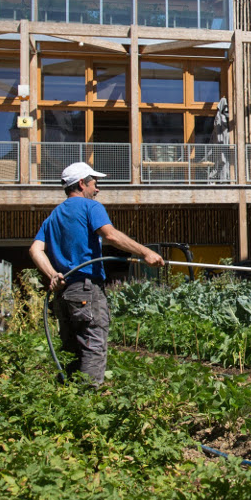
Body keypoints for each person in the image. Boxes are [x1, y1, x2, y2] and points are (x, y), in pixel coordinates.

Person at [30, 162, 164, 385]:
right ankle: (89, 405)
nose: (98, 189)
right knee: (93, 347)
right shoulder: (90, 207)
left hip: (63, 295)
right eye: (95, 183)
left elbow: (35, 249)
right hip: (85, 290)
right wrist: (145, 253)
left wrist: (53, 274)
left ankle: (70, 401)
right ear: (82, 184)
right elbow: (110, 235)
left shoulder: (53, 216)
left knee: (71, 351)